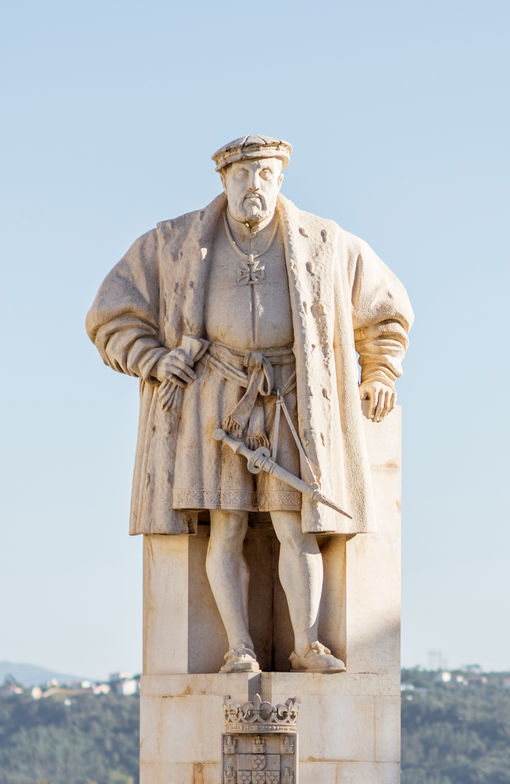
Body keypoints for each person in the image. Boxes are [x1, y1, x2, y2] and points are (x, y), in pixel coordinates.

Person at [87, 136, 412, 674]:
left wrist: (378, 372)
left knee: (295, 524)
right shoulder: (175, 243)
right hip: (214, 397)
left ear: (280, 179)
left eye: (263, 173)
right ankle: (239, 646)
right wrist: (150, 357)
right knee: (226, 523)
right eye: (241, 175)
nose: (252, 185)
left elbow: (386, 311)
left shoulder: (326, 242)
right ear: (224, 181)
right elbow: (110, 312)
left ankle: (307, 643)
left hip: (293, 396)